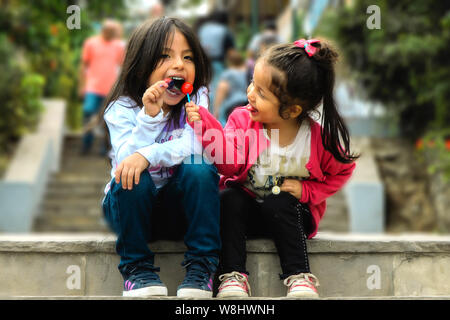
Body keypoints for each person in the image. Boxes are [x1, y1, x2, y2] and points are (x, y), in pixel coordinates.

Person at [186, 39, 359, 298]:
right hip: (246, 217)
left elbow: (343, 171)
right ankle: (233, 275)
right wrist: (205, 124)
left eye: (262, 93)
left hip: (292, 217)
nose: (250, 93)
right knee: (229, 197)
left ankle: (299, 276)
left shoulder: (317, 139)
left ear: (292, 110)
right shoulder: (242, 120)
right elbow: (230, 165)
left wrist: (308, 190)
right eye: (253, 83)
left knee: (280, 200)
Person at [101, 17, 220, 299]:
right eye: (165, 55)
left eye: (188, 57)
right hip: (130, 208)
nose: (179, 64)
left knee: (199, 166)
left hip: (177, 210)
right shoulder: (121, 109)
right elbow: (127, 163)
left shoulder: (197, 98)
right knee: (132, 174)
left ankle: (202, 267)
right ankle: (136, 268)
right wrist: (149, 119)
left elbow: (194, 145)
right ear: (141, 65)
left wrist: (148, 154)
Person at [79, 19, 125, 155]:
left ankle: (105, 149)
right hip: (92, 87)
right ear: (104, 30)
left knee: (108, 120)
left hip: (110, 90)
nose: (112, 34)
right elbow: (83, 65)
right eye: (110, 31)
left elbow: (123, 66)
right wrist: (81, 85)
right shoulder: (91, 43)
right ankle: (86, 144)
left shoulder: (118, 46)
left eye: (114, 31)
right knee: (88, 112)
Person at [197, 10, 236, 109]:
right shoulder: (224, 30)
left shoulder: (203, 29)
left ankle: (204, 112)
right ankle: (217, 116)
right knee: (218, 89)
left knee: (205, 88)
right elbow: (231, 51)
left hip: (203, 63)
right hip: (217, 62)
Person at [213, 50, 248, 126]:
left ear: (229, 61)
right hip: (247, 104)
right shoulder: (247, 72)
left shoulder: (228, 74)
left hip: (234, 106)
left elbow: (222, 89)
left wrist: (216, 110)